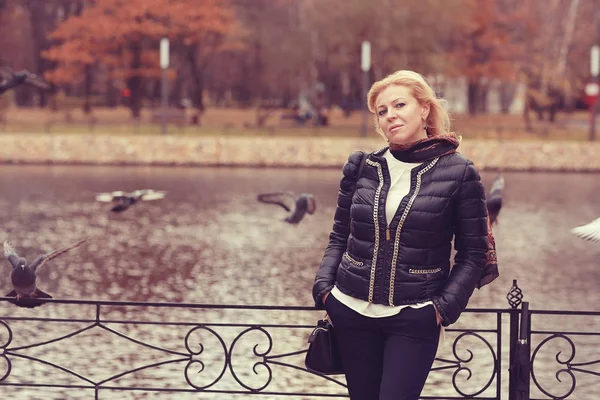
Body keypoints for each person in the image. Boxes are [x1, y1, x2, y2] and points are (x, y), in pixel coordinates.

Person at [312, 70, 498, 400]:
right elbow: (339, 235)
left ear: (424, 109)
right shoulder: (362, 166)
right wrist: (325, 289)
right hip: (351, 312)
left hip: (414, 318)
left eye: (399, 105)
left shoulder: (458, 171)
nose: (390, 116)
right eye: (382, 111)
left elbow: (473, 254)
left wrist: (440, 309)